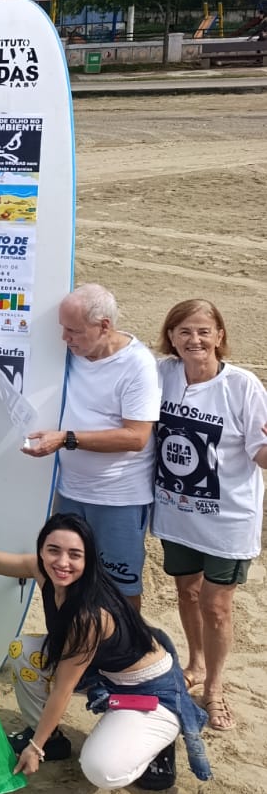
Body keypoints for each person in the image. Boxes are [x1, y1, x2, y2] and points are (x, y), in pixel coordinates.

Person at [0, 498, 210, 792]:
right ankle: (51, 739)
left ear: (88, 560)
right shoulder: (41, 569)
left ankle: (158, 741)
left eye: (75, 554)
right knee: (23, 651)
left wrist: (34, 749)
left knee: (100, 770)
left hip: (148, 686)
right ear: (41, 550)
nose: (62, 562)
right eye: (53, 550)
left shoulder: (88, 616)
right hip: (102, 670)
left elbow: (62, 687)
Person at [151, 298, 267, 733]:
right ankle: (195, 662)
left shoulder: (243, 386)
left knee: (217, 607)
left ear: (220, 336)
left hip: (227, 521)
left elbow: (260, 454)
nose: (194, 339)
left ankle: (214, 688)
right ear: (171, 338)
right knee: (188, 594)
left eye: (203, 331)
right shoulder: (162, 375)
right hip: (178, 515)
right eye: (184, 331)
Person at [22, 284, 160, 608]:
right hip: (70, 492)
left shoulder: (137, 364)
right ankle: (76, 651)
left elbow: (136, 437)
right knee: (66, 580)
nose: (64, 339)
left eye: (73, 331)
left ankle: (124, 655)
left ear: (104, 326)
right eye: (63, 328)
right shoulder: (74, 353)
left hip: (118, 498)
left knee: (119, 589)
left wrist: (66, 439)